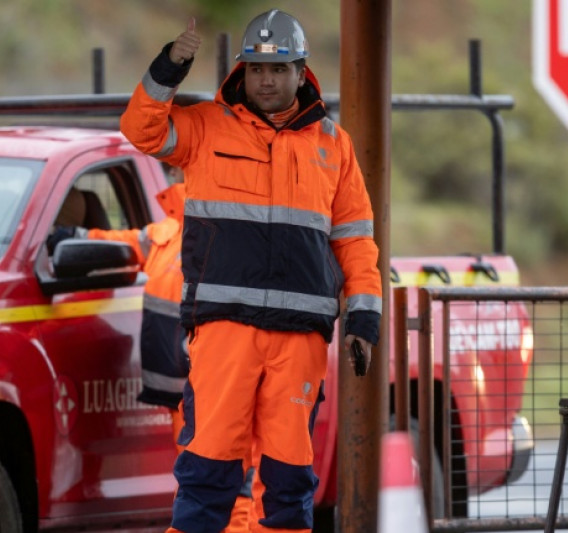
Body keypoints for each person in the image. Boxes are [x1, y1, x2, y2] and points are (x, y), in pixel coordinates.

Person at [119, 9, 382, 533]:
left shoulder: (334, 145)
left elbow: (355, 241)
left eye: (278, 69)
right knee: (208, 471)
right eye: (257, 68)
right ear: (243, 70)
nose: (266, 80)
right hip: (224, 332)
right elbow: (140, 130)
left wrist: (364, 320)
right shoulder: (204, 126)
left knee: (288, 482)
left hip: (299, 339)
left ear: (301, 74)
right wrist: (169, 67)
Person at [49, 170, 256, 532]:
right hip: (185, 394)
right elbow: (125, 241)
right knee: (201, 482)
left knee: (227, 483)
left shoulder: (232, 232)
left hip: (219, 388)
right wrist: (72, 237)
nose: (173, 167)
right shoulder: (168, 232)